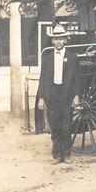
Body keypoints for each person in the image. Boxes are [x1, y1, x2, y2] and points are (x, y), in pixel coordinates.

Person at [37, 24, 82, 164]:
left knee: (66, 126)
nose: (58, 41)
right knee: (54, 126)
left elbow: (77, 78)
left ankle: (66, 154)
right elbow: (43, 79)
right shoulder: (47, 58)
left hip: (66, 93)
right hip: (52, 94)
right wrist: (41, 98)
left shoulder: (72, 57)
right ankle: (56, 155)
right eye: (56, 39)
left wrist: (76, 96)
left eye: (61, 39)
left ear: (65, 40)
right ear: (52, 41)